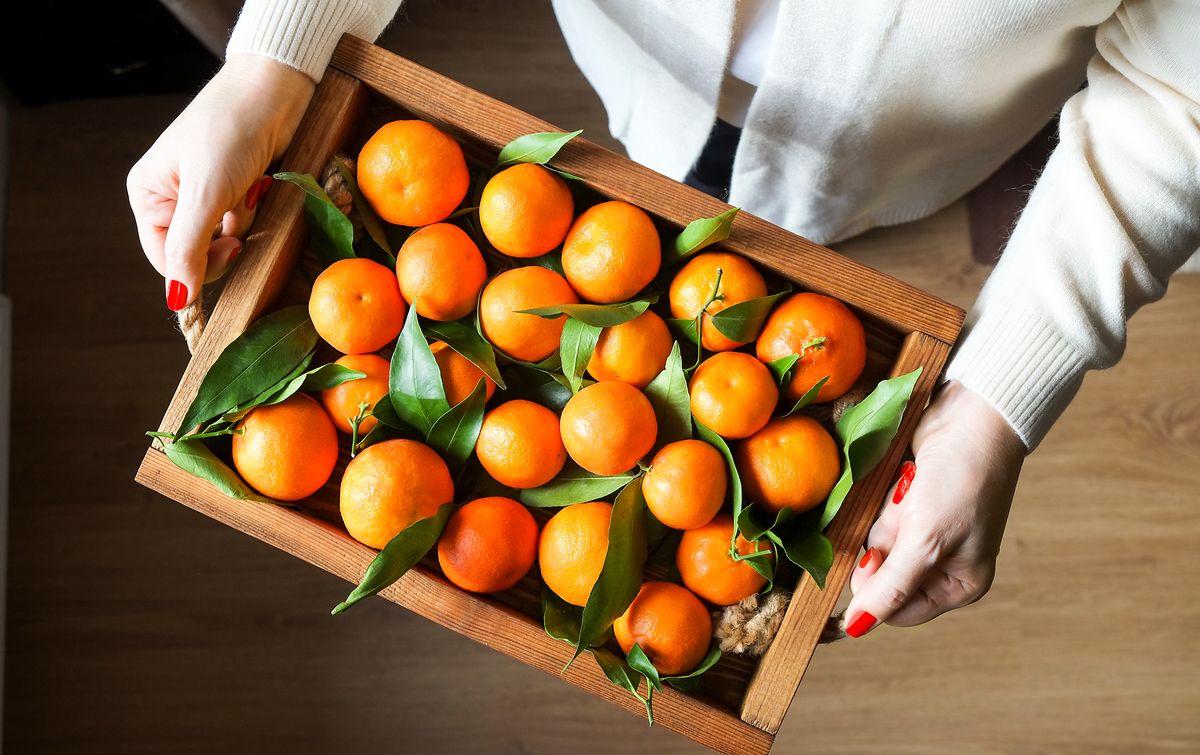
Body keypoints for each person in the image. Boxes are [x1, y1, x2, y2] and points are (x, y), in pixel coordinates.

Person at [127, 1, 1200, 638]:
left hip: (915, 148)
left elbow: (1178, 89)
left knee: (830, 221)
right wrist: (273, 59)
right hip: (627, 67)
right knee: (658, 165)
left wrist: (1004, 392)